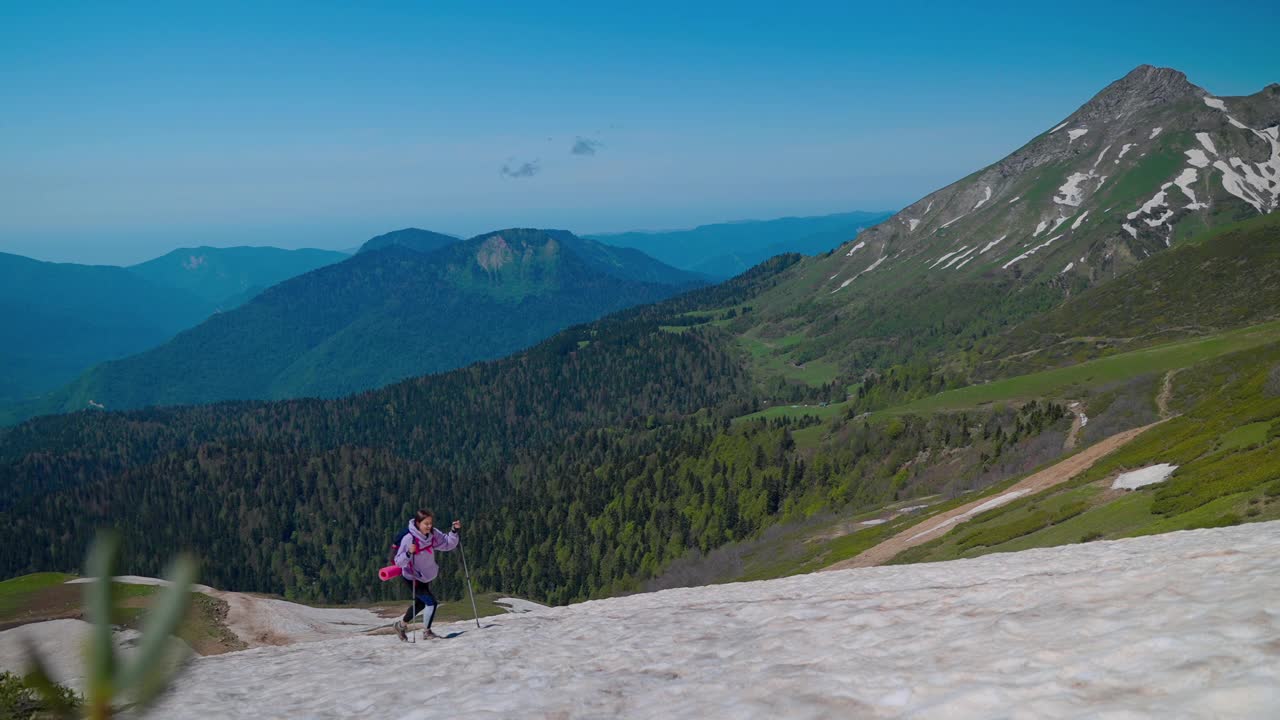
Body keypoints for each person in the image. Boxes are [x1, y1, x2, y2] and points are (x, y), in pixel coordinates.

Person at [393, 509, 461, 641]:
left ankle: (400, 626)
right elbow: (398, 561)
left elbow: (447, 544)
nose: (429, 526)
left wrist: (453, 531)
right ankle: (427, 632)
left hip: (424, 575)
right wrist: (408, 553)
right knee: (431, 603)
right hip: (412, 577)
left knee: (420, 604)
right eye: (426, 523)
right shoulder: (409, 539)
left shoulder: (433, 534)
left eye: (430, 523)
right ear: (418, 523)